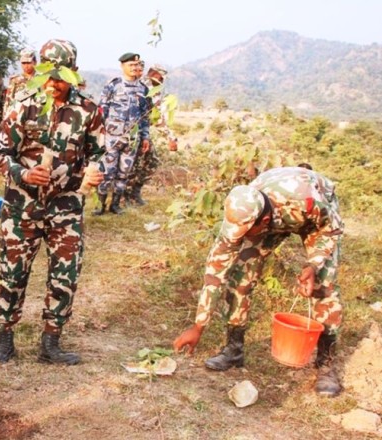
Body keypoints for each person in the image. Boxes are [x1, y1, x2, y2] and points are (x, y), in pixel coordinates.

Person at [173, 167, 344, 397]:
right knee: (239, 277)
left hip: (317, 221)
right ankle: (234, 350)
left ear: (263, 222)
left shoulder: (307, 200)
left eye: (245, 233)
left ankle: (326, 365)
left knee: (324, 288)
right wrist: (198, 326)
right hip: (269, 213)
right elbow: (215, 274)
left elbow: (331, 231)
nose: (240, 239)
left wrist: (313, 265)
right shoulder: (241, 210)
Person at [0, 39, 105, 365]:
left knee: (65, 274)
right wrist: (22, 174)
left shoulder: (88, 110)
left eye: (61, 78)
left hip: (66, 205)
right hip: (22, 205)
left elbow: (97, 155)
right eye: (48, 76)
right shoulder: (23, 103)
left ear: (74, 73)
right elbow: (0, 154)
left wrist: (94, 174)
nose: (53, 85)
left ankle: (51, 342)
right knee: (13, 273)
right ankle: (5, 339)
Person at [95, 52, 150, 216]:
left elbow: (145, 116)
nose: (135, 67)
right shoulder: (113, 85)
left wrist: (145, 136)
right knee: (107, 172)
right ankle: (100, 205)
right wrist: (99, 133)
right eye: (131, 65)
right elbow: (102, 110)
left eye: (137, 65)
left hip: (132, 139)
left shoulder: (143, 89)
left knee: (124, 173)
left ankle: (115, 204)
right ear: (122, 66)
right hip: (112, 137)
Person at [125, 64, 172, 207]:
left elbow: (157, 117)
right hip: (131, 132)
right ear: (153, 73)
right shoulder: (141, 87)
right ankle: (125, 195)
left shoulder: (155, 91)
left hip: (143, 132)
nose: (162, 80)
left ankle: (135, 192)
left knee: (152, 161)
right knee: (132, 165)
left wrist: (169, 136)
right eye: (160, 76)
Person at [0, 48, 37, 145]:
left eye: (28, 62)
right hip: (17, 121)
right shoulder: (15, 80)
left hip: (35, 122)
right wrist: (5, 120)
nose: (26, 66)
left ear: (35, 62)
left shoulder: (41, 80)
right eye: (23, 63)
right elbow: (8, 102)